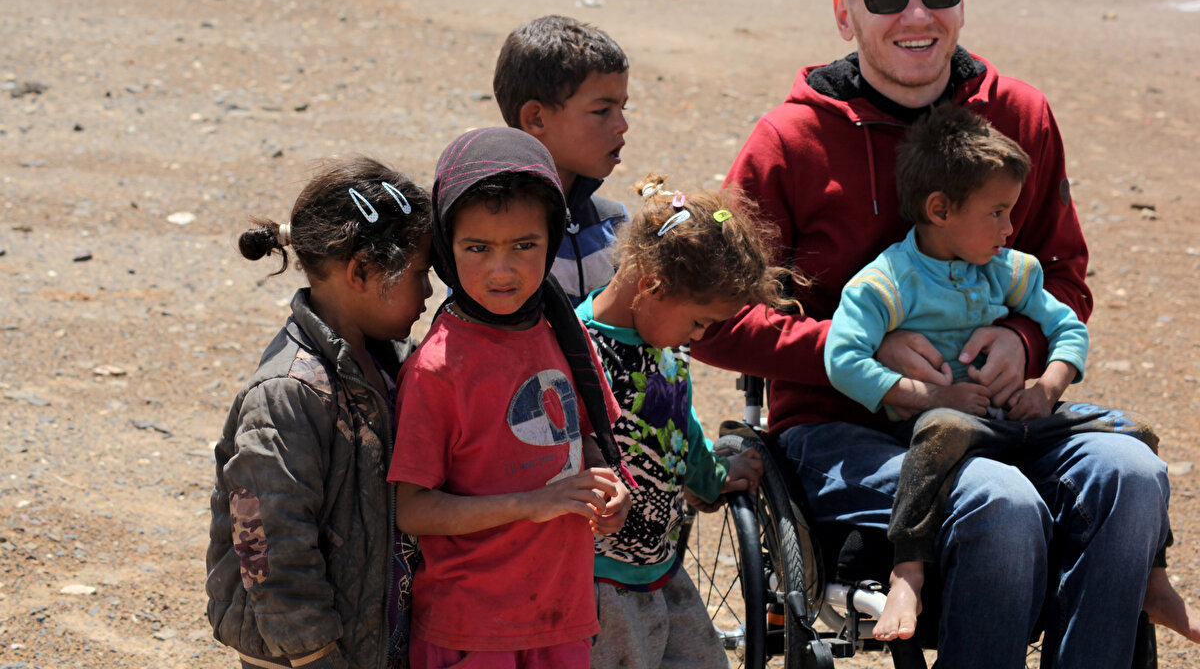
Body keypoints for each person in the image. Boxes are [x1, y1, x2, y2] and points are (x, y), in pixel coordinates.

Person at [691, 0, 1189, 666]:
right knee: (1000, 499)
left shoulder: (1019, 113)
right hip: (839, 426)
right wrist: (860, 351)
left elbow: (1063, 277)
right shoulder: (788, 142)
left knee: (1132, 470)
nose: (916, 15)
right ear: (844, 14)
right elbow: (712, 319)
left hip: (998, 413)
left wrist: (1023, 339)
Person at [825, 102, 1165, 642]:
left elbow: (1068, 329)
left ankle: (1155, 576)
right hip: (929, 433)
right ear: (939, 209)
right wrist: (932, 395)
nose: (1011, 227)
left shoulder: (1008, 271)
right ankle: (907, 571)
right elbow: (843, 360)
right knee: (944, 431)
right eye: (997, 212)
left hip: (1010, 426)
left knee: (1133, 437)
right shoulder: (887, 284)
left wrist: (1048, 387)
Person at [389, 126, 632, 669]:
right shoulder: (438, 369)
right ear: (447, 250)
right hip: (472, 627)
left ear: (552, 242)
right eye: (478, 248)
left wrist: (606, 489)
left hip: (560, 613)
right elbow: (413, 508)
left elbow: (585, 444)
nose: (503, 270)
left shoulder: (561, 332)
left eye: (525, 246)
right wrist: (531, 505)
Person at [206, 157, 434, 669]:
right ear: (361, 272)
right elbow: (266, 541)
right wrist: (315, 654)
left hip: (369, 641)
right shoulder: (290, 391)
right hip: (305, 656)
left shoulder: (389, 363)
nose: (428, 292)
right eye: (420, 274)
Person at [580, 174, 798, 669]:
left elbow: (680, 430)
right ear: (653, 285)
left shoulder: (668, 348)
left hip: (660, 566)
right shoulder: (579, 349)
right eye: (699, 321)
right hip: (595, 580)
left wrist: (711, 477)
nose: (700, 334)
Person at [493, 14, 630, 305]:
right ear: (536, 118)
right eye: (602, 110)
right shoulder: (491, 230)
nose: (622, 124)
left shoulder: (613, 225)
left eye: (623, 107)